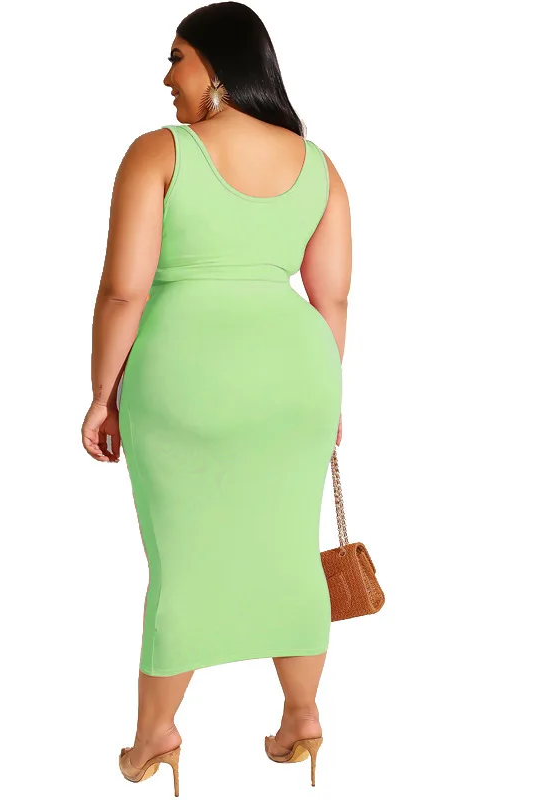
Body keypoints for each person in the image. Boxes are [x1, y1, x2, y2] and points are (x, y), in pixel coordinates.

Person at [81, 2, 351, 794]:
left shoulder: (160, 152)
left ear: (219, 66)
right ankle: (302, 717)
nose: (167, 76)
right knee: (289, 550)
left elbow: (125, 291)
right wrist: (329, 397)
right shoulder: (319, 166)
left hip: (184, 371)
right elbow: (332, 297)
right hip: (298, 375)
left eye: (178, 57)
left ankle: (155, 736)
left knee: (183, 556)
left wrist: (102, 394)